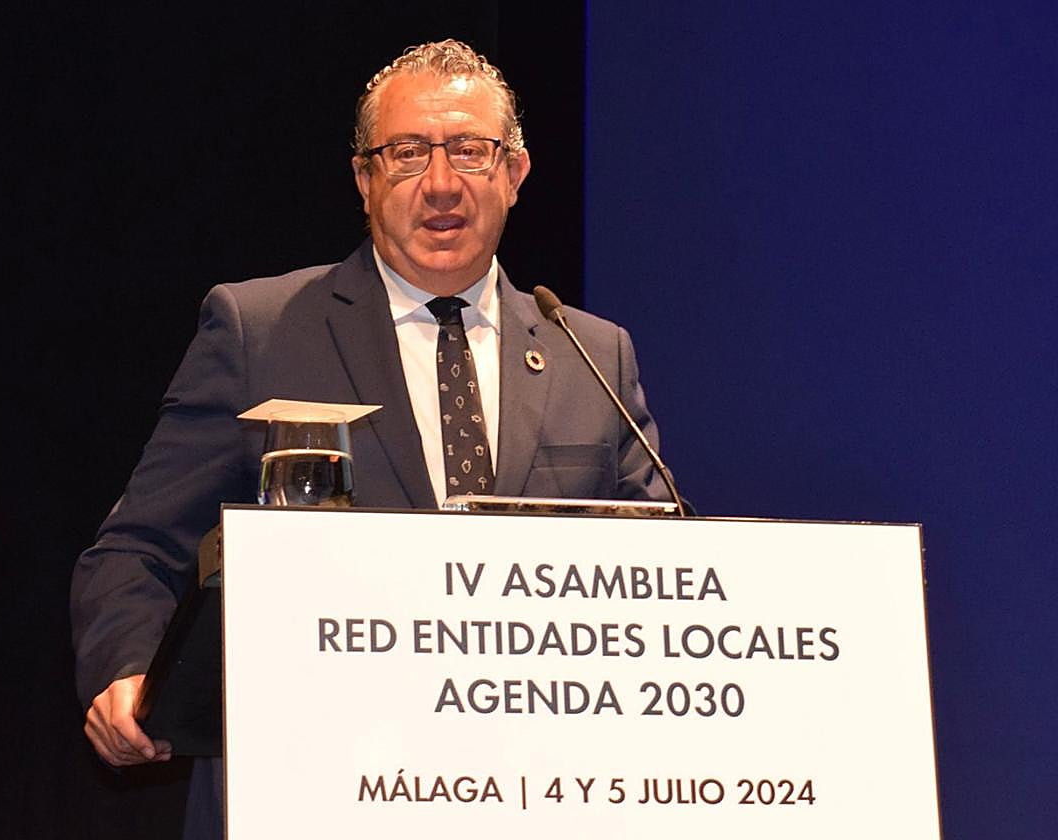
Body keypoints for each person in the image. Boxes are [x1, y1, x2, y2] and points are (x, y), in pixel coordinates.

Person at [71, 38, 673, 838]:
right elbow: (136, 549)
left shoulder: (592, 355)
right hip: (315, 786)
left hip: (540, 796)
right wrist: (127, 667)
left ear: (515, 174)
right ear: (364, 179)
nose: (441, 184)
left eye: (470, 150)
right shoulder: (261, 331)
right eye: (406, 153)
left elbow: (667, 572)